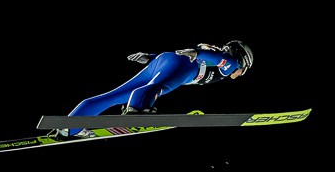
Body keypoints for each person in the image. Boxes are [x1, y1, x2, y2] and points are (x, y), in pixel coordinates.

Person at [49, 40, 254, 138]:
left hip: (165, 59)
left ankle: (70, 127)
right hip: (185, 65)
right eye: (244, 70)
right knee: (158, 88)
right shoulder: (232, 63)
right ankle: (137, 109)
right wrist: (197, 53)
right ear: (242, 62)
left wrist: (151, 57)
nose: (240, 74)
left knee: (114, 96)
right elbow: (219, 59)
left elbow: (209, 56)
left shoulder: (221, 56)